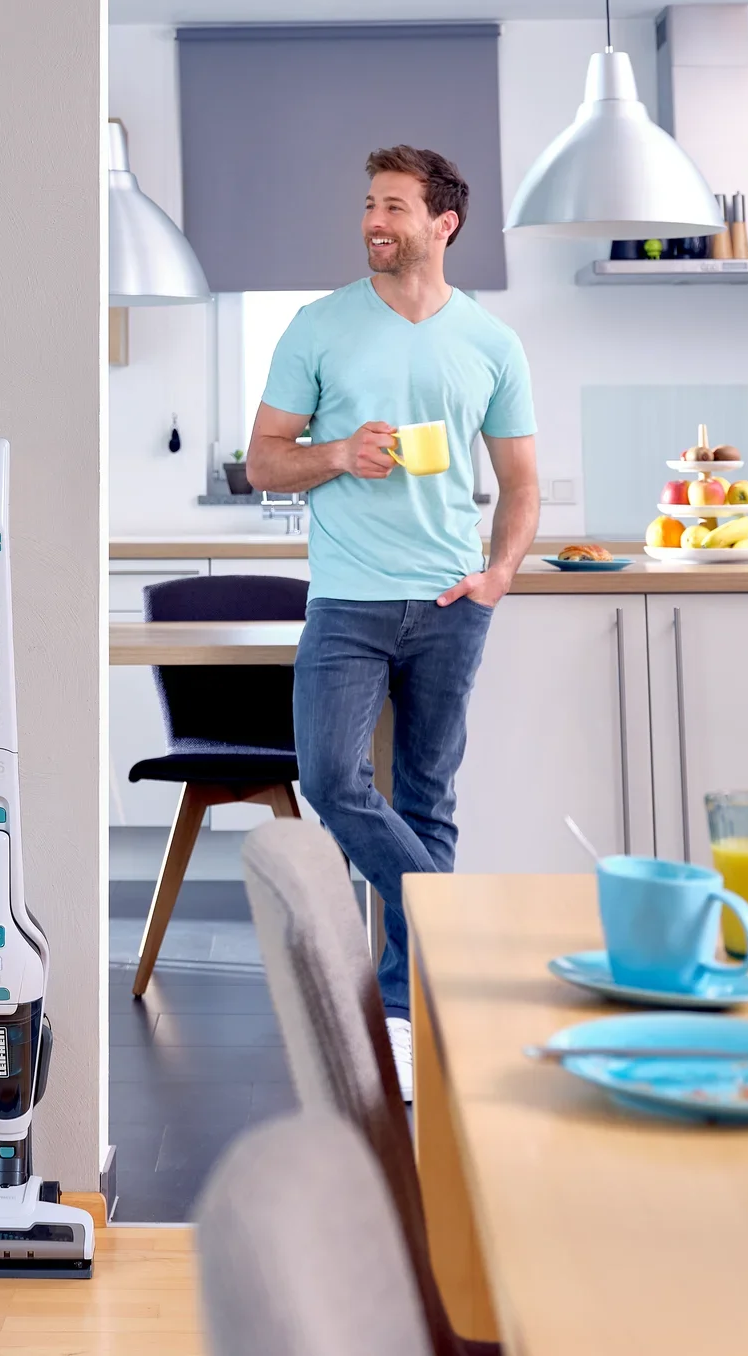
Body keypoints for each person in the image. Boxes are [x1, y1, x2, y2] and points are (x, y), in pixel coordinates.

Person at [245, 145, 539, 1100]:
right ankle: (459, 929)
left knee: (426, 799)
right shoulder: (320, 326)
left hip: (454, 602)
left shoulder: (491, 343)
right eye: (370, 203)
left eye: (395, 207)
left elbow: (522, 482)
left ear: (442, 223)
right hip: (350, 599)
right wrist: (336, 454)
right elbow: (263, 462)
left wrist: (499, 573)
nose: (375, 220)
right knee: (330, 778)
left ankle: (411, 1018)